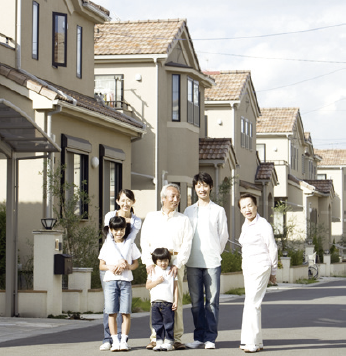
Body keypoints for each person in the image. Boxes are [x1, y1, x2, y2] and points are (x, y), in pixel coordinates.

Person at [141, 184, 193, 350]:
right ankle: (156, 337)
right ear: (163, 198)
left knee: (175, 300)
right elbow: (144, 241)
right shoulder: (151, 217)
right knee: (156, 300)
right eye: (172, 196)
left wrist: (178, 263)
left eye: (178, 196)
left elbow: (187, 243)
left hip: (175, 262)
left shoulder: (183, 219)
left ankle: (176, 338)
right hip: (156, 263)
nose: (176, 199)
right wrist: (148, 262)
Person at [184, 172, 229, 350]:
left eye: (205, 185)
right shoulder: (188, 211)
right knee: (196, 303)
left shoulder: (218, 210)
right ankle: (199, 337)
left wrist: (214, 253)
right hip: (193, 262)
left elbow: (223, 236)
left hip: (212, 262)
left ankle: (210, 337)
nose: (202, 189)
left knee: (212, 302)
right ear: (195, 188)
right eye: (198, 186)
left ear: (210, 187)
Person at [99, 189, 142, 351]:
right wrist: (117, 262)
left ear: (133, 202)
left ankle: (122, 340)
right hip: (111, 266)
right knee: (109, 306)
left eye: (129, 200)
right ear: (117, 201)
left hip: (125, 266)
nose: (125, 203)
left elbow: (130, 240)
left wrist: (125, 262)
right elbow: (109, 239)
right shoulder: (110, 216)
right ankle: (108, 339)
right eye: (123, 200)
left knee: (124, 309)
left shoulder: (136, 220)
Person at [238, 194, 278, 353]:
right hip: (248, 268)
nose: (247, 209)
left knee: (252, 303)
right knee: (251, 303)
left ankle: (252, 343)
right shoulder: (245, 225)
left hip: (261, 267)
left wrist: (273, 271)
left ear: (256, 206)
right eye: (243, 207)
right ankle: (255, 341)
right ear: (240, 210)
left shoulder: (263, 225)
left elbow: (273, 248)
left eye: (249, 205)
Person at [146, 248, 178, 352]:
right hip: (155, 302)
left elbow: (175, 287)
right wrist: (157, 282)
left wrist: (175, 301)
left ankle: (168, 342)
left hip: (167, 302)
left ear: (169, 260)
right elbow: (148, 285)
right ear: (155, 261)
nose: (163, 263)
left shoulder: (172, 270)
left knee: (169, 323)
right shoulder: (153, 271)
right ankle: (159, 341)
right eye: (160, 261)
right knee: (157, 324)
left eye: (165, 260)